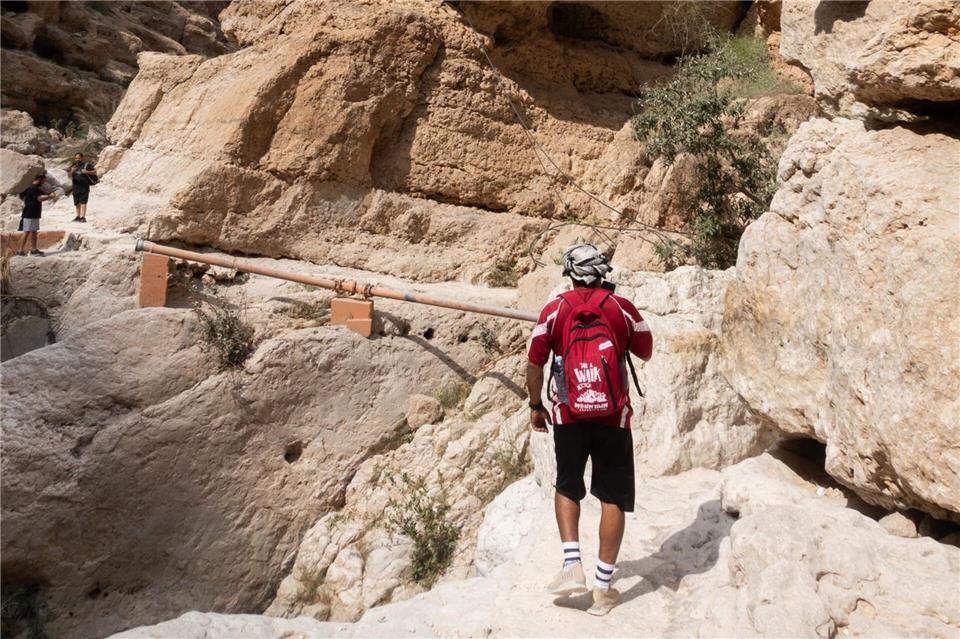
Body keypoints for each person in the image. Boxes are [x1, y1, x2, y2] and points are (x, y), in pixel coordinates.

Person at [526, 243, 653, 616]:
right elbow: (645, 350)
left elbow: (534, 363)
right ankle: (602, 589)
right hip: (613, 417)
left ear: (568, 272)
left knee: (567, 485)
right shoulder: (620, 308)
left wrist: (537, 406)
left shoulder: (555, 310)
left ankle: (571, 566)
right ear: (603, 271)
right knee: (612, 495)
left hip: (568, 415)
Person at [17, 173, 55, 256]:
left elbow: (42, 195)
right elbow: (40, 198)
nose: (43, 183)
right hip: (29, 214)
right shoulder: (33, 188)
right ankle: (20, 250)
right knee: (26, 232)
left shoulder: (35, 188)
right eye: (43, 181)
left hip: (34, 213)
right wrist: (50, 197)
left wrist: (48, 194)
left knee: (34, 231)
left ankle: (34, 249)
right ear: (39, 180)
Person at [68, 152, 96, 222]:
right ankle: (78, 216)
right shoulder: (73, 166)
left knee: (83, 202)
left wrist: (87, 172)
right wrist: (71, 172)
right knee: (76, 202)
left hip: (84, 187)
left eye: (79, 158)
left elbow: (95, 172)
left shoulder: (86, 165)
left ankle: (83, 217)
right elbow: (69, 176)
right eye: (76, 158)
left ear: (82, 158)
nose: (77, 159)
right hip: (75, 187)